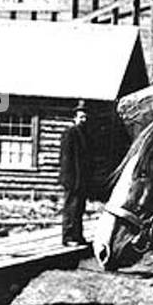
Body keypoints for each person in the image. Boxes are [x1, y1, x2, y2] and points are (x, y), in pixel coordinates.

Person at [59, 101, 93, 245]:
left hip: (82, 179)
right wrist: (69, 179)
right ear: (75, 118)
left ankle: (78, 235)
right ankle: (68, 238)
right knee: (70, 208)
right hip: (72, 179)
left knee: (79, 208)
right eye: (80, 118)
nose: (83, 120)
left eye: (85, 117)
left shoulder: (85, 134)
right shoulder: (70, 133)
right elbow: (66, 159)